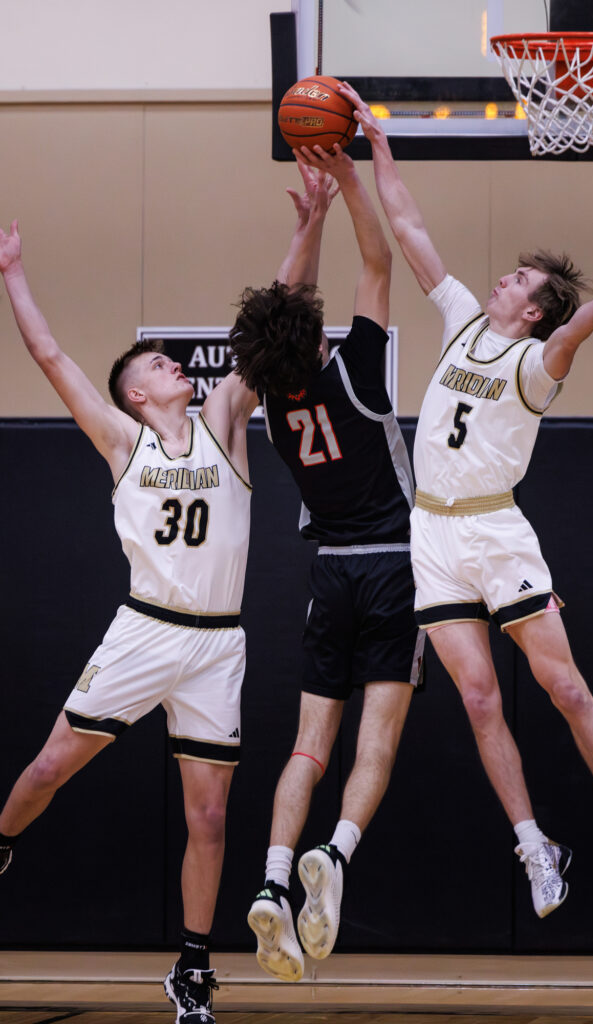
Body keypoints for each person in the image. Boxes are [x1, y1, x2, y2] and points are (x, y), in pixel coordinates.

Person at [332, 82, 593, 919]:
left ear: (530, 308)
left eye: (517, 278)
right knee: (478, 699)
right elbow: (409, 230)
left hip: (495, 531)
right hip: (433, 538)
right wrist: (374, 147)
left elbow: (566, 340)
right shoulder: (457, 321)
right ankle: (534, 849)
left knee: (563, 688)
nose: (501, 276)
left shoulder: (532, 364)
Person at [0, 219, 258, 1022]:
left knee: (208, 815)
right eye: (155, 363)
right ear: (137, 395)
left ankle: (190, 968)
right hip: (145, 628)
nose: (173, 363)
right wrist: (11, 273)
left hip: (219, 642)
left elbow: (273, 324)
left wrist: (310, 225)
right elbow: (51, 358)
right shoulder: (122, 442)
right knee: (47, 770)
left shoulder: (223, 425)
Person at [230, 154, 423, 980]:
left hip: (330, 575)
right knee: (374, 742)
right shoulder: (357, 370)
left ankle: (273, 879)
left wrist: (302, 228)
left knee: (309, 746)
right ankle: (334, 857)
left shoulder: (268, 403)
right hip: (394, 567)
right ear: (317, 338)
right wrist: (345, 180)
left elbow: (277, 317)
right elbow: (378, 262)